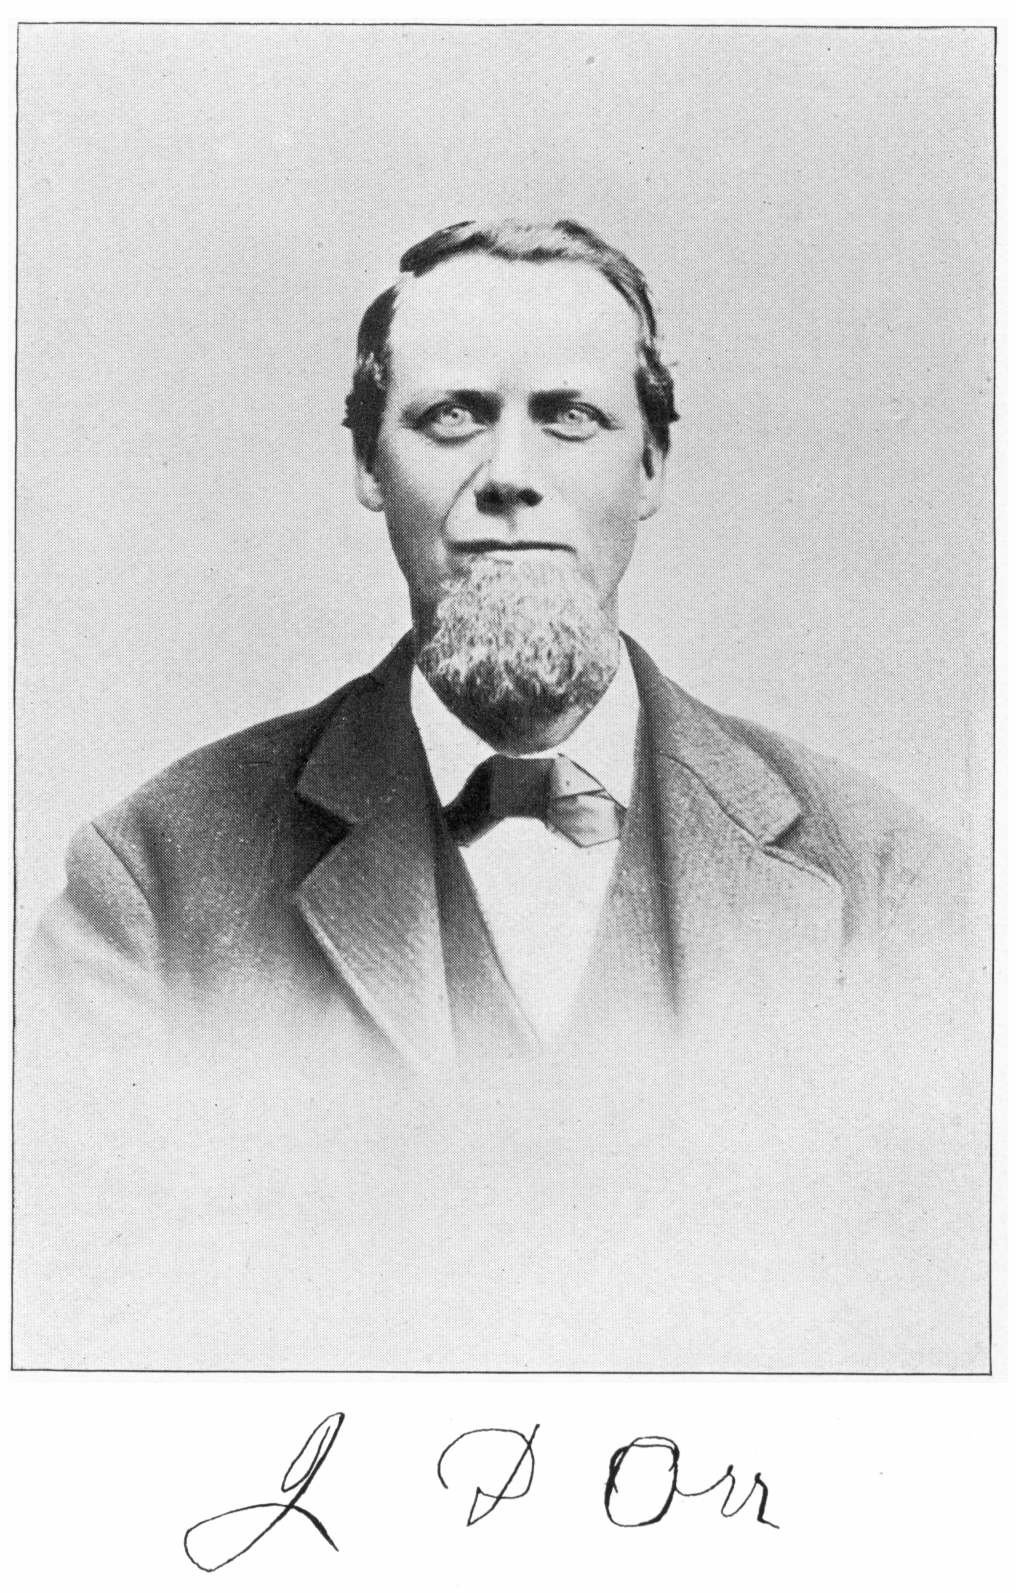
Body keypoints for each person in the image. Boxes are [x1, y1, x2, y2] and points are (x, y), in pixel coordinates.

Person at [18, 220, 988, 1371]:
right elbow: (92, 1326)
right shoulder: (152, 881)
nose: (508, 475)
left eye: (568, 416)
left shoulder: (888, 885)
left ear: (650, 467)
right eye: (451, 416)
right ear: (367, 467)